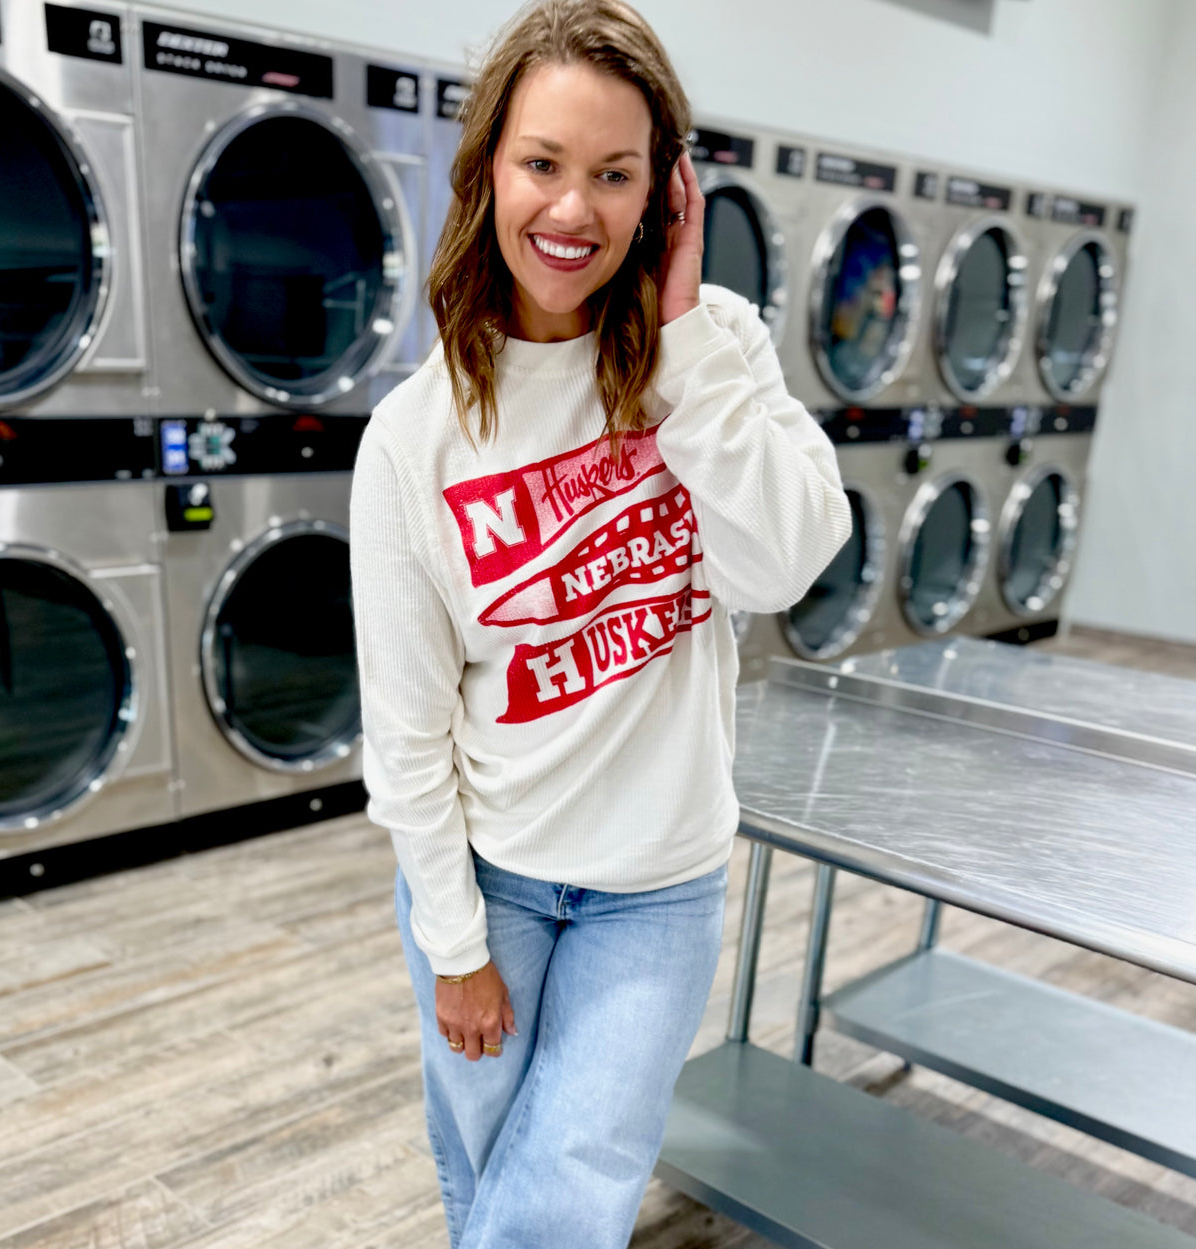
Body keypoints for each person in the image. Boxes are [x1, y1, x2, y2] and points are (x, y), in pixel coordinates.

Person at [349, 2, 852, 1244]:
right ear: (488, 171)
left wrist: (679, 340)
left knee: (563, 1191)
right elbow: (407, 730)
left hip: (654, 891)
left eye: (613, 175)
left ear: (662, 196)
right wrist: (453, 939)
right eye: (542, 165)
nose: (571, 212)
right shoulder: (415, 436)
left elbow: (784, 560)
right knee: (484, 1177)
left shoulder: (715, 346)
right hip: (490, 880)